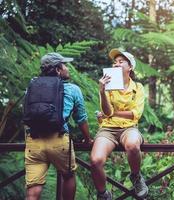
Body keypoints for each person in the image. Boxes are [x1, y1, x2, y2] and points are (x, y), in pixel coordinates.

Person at [25, 52, 93, 200]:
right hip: (59, 139)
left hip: (34, 140)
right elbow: (81, 118)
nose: (67, 68)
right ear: (57, 69)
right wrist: (88, 139)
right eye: (65, 65)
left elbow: (28, 113)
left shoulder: (32, 86)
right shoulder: (72, 89)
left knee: (33, 189)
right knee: (68, 176)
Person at [91, 49, 148, 200]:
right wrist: (102, 92)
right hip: (108, 129)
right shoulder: (107, 86)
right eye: (115, 62)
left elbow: (136, 114)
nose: (116, 64)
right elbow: (106, 111)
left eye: (121, 61)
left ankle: (136, 177)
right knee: (96, 160)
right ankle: (103, 193)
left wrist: (112, 113)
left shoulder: (138, 88)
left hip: (129, 128)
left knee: (133, 145)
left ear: (130, 67)